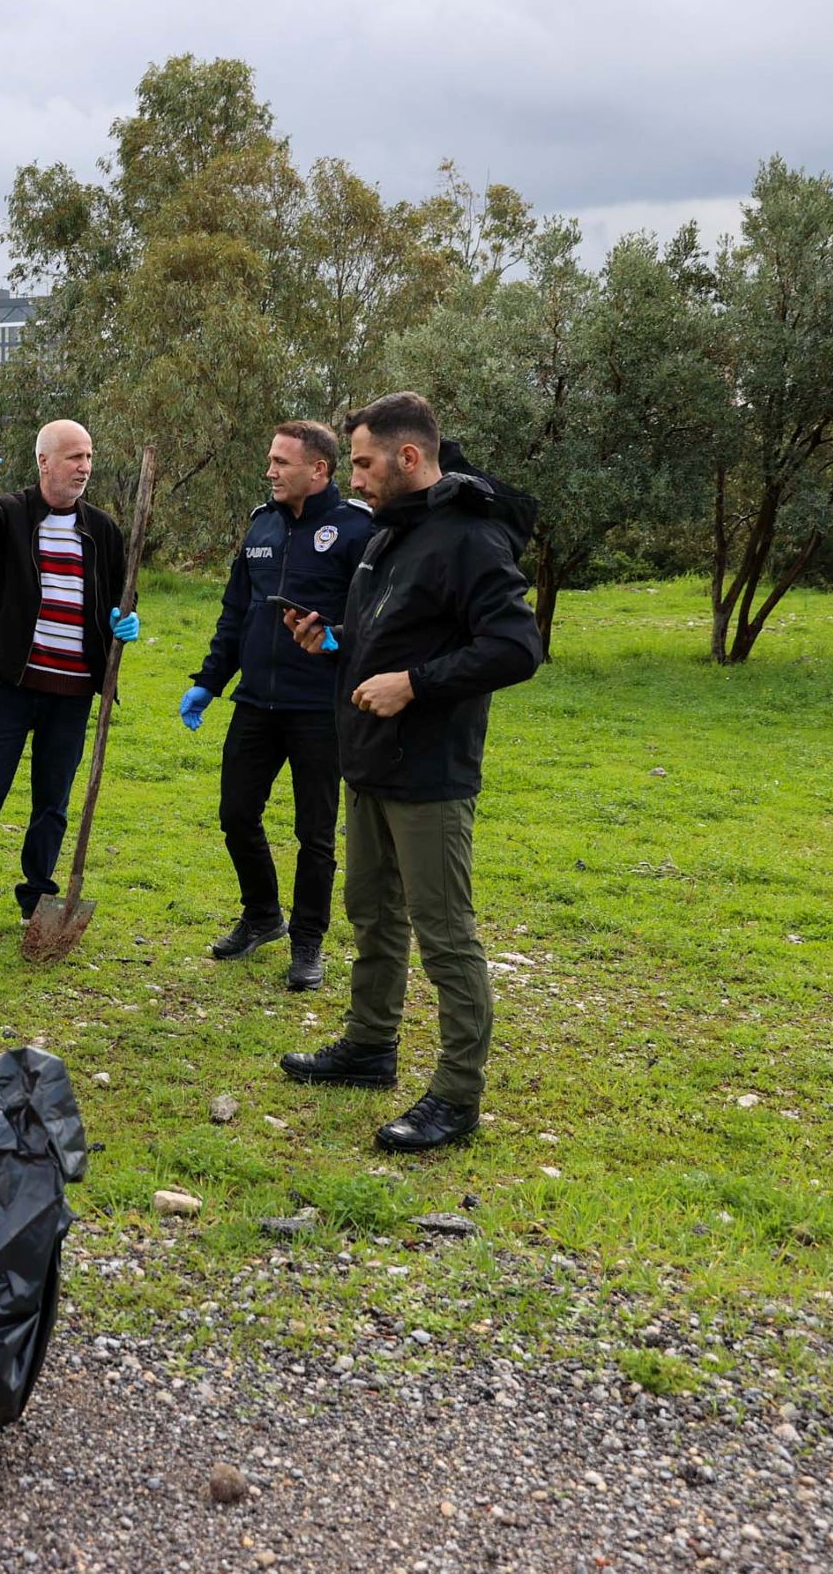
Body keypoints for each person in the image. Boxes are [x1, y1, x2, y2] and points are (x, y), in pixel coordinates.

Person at [279, 392, 542, 1152]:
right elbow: (381, 632)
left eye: (362, 463)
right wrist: (330, 638)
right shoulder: (389, 535)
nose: (354, 478)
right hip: (369, 765)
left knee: (446, 936)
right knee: (372, 913)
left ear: (408, 457)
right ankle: (369, 1047)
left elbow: (517, 646)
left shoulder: (469, 537)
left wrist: (414, 684)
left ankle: (457, 1099)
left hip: (429, 774)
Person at [0, 419, 142, 941]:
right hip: (9, 686)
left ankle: (38, 900)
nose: (84, 467)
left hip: (70, 692)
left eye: (88, 456)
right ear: (45, 462)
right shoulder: (13, 513)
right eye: (73, 457)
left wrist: (124, 622)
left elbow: (119, 595)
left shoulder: (102, 529)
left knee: (52, 804)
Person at [179, 421, 371, 990]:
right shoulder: (260, 526)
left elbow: (377, 620)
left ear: (319, 470)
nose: (270, 471)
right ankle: (263, 915)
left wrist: (339, 640)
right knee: (236, 815)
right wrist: (210, 681)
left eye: (281, 462)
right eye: (270, 460)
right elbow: (235, 612)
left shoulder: (357, 529)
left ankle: (309, 942)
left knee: (315, 833)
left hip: (320, 707)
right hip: (257, 703)